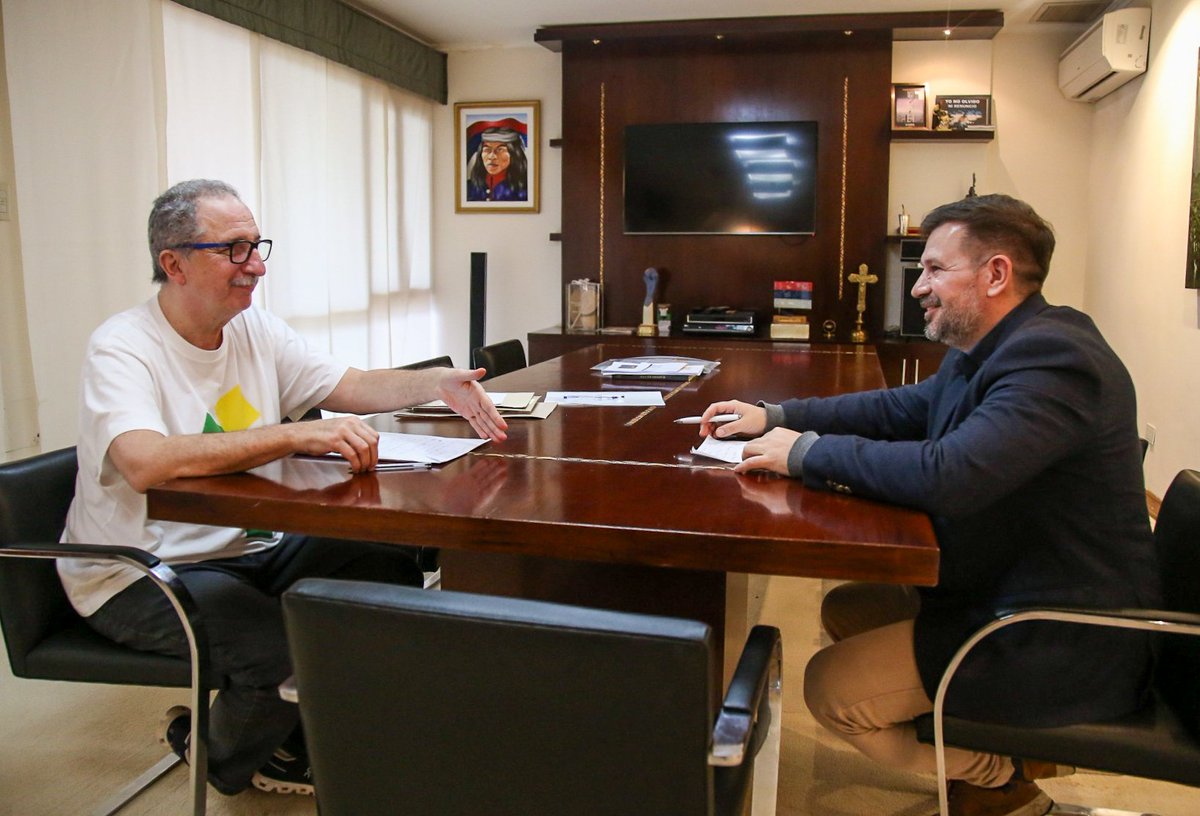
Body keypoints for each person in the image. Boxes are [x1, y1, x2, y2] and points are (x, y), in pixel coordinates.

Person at [699, 194, 1158, 816]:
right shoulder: (1004, 344)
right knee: (852, 605)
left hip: (1055, 628)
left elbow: (951, 474)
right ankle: (985, 761)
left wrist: (803, 452)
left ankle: (999, 776)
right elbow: (901, 410)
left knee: (830, 689)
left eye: (935, 269)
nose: (918, 288)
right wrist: (776, 415)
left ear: (995, 274)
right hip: (1003, 579)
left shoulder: (1055, 359)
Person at [58, 179, 509, 797]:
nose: (257, 265)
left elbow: (346, 385)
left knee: (382, 561)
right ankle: (219, 756)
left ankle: (313, 721)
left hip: (244, 548)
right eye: (235, 250)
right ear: (174, 263)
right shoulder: (123, 347)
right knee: (279, 652)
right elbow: (145, 463)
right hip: (142, 570)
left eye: (257, 245)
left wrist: (437, 382)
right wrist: (287, 437)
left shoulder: (254, 330)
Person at [465, 120, 530, 202]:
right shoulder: (469, 187)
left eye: (500, 150)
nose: (492, 156)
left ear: (514, 154)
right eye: (487, 150)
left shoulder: (525, 189)